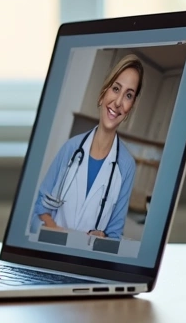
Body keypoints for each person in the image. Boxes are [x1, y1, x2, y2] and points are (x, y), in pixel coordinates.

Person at [32, 55, 140, 239]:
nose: (118, 102)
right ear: (103, 93)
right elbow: (40, 209)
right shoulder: (70, 148)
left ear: (131, 106)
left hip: (89, 262)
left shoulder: (127, 166)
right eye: (115, 89)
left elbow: (115, 235)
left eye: (128, 95)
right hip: (52, 253)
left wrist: (103, 237)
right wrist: (58, 234)